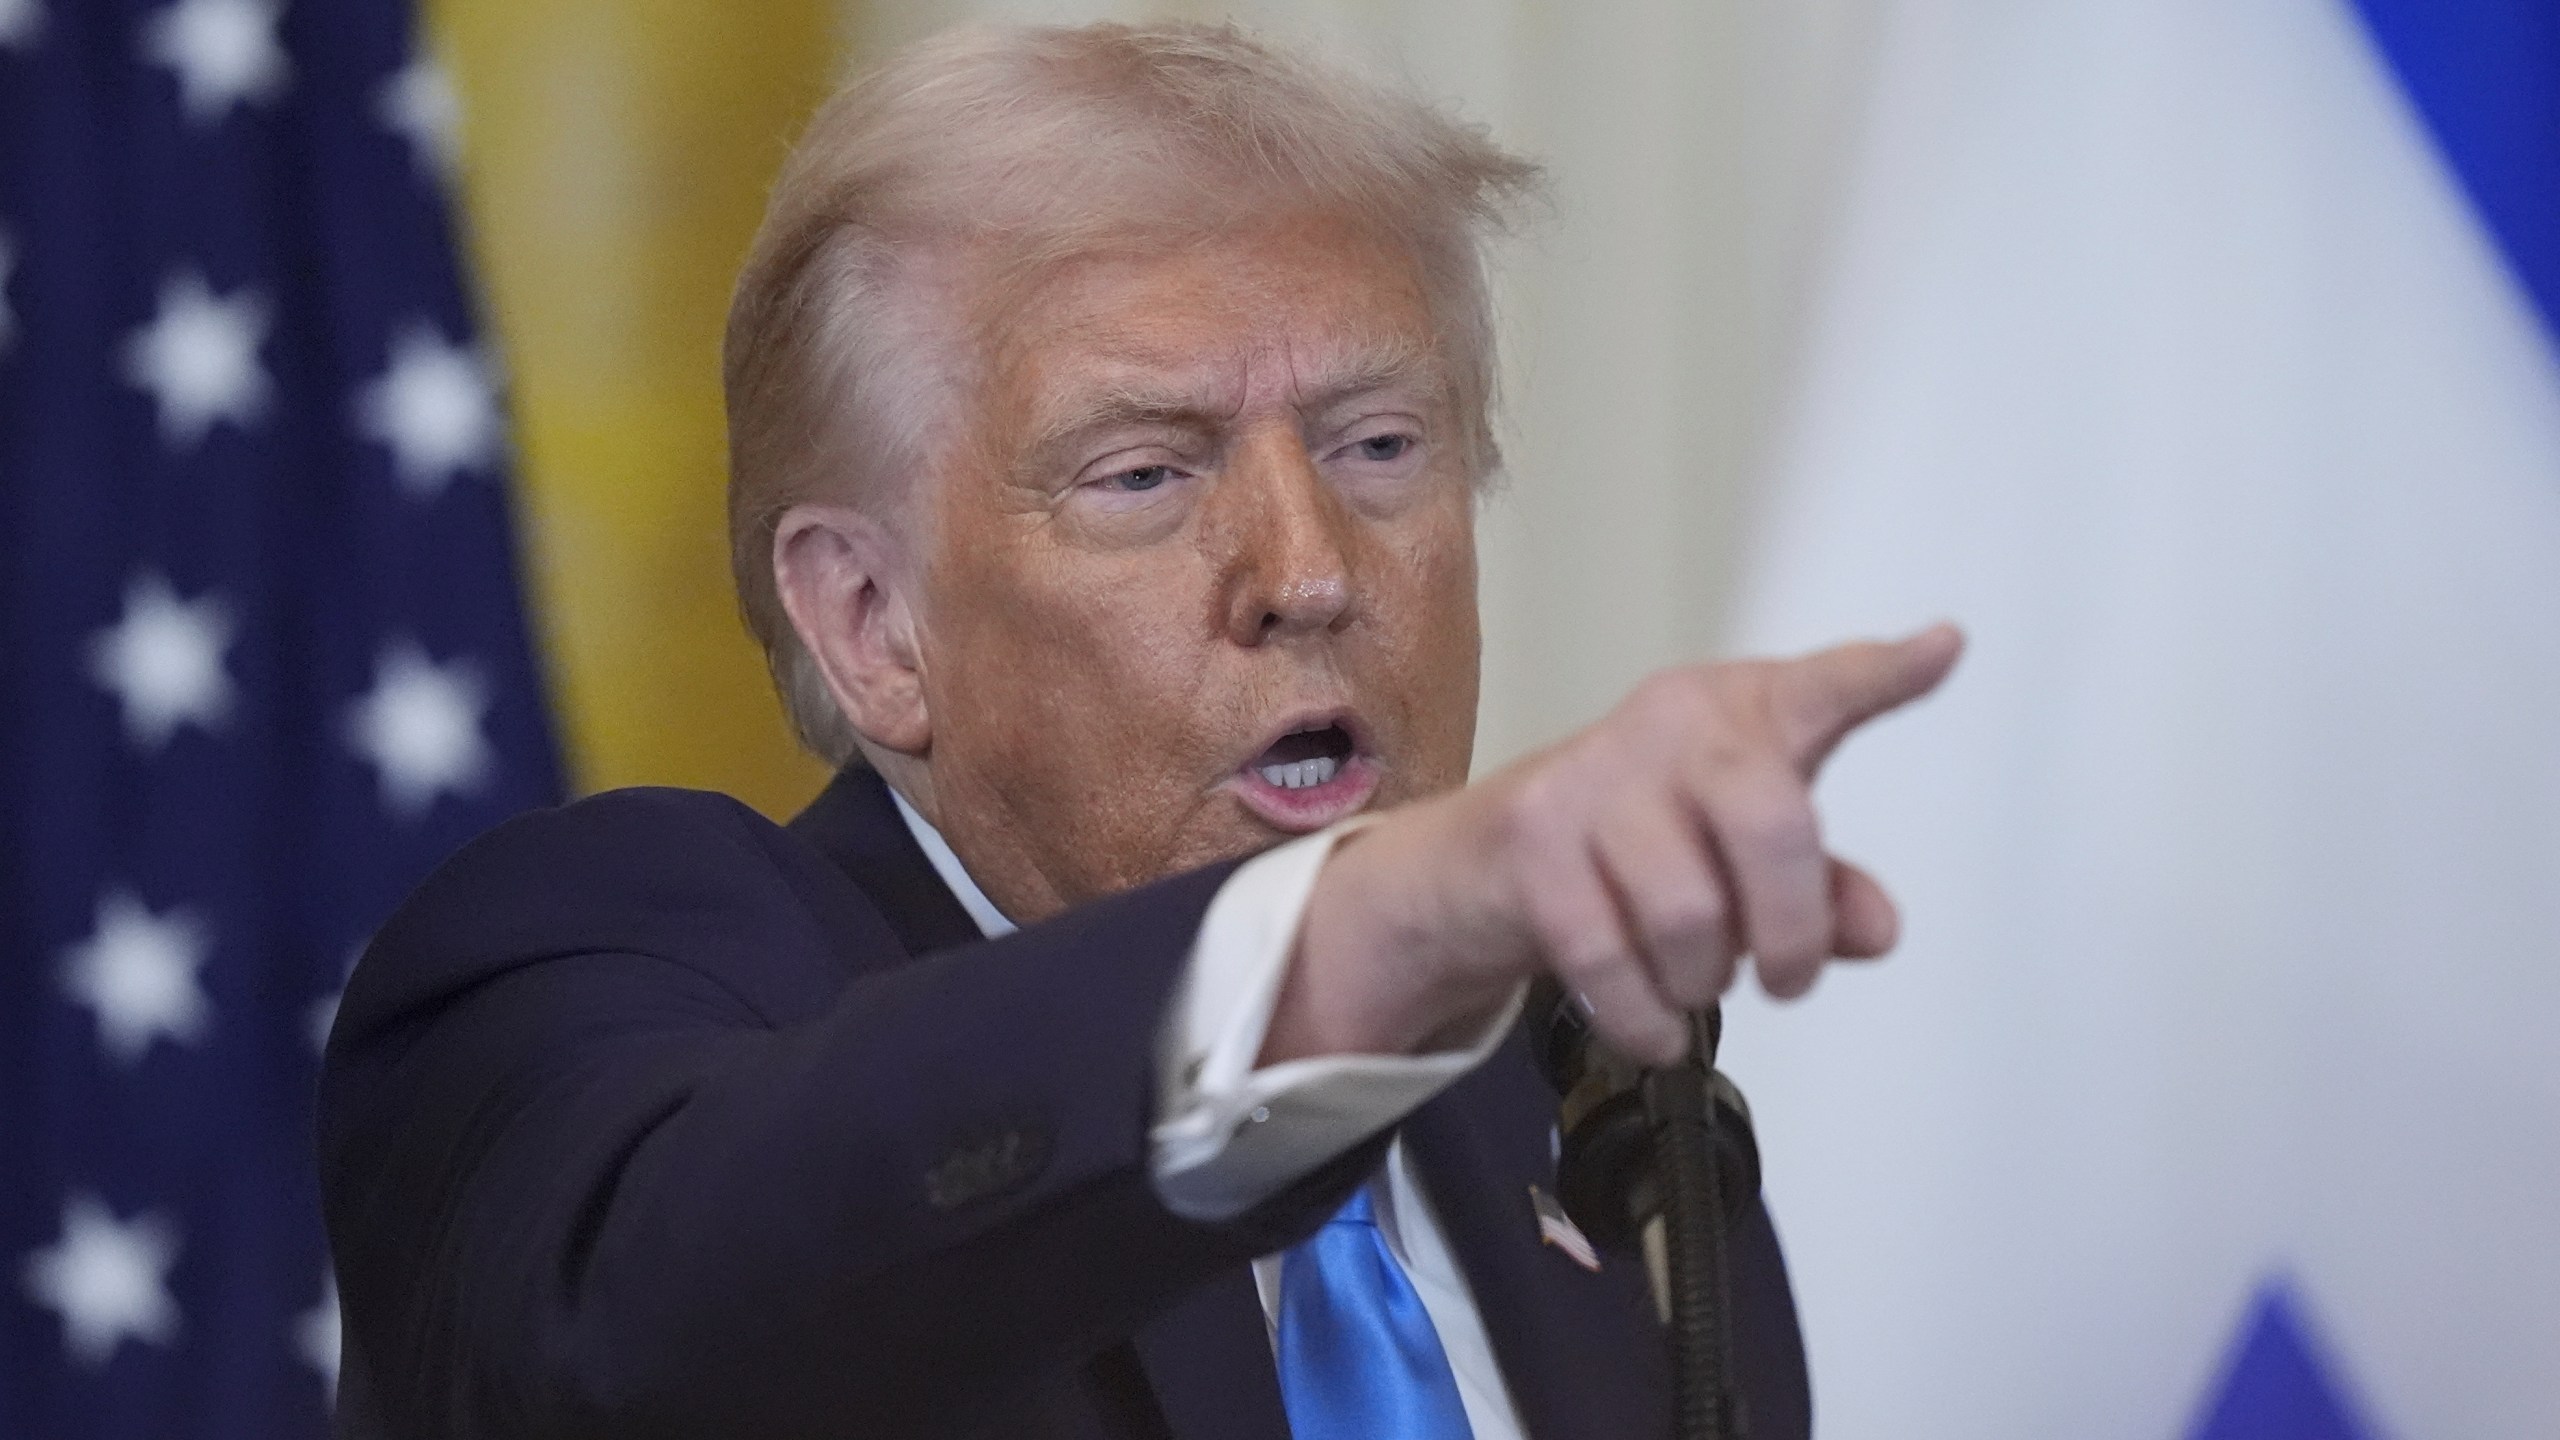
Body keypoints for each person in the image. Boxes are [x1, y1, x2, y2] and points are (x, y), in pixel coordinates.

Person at [317, 20, 1961, 1440]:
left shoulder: (1600, 1128)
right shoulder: (617, 969)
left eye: (1380, 446)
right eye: (1145, 475)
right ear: (873, 623)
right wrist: (1354, 942)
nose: (1308, 571)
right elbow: (646, 1333)